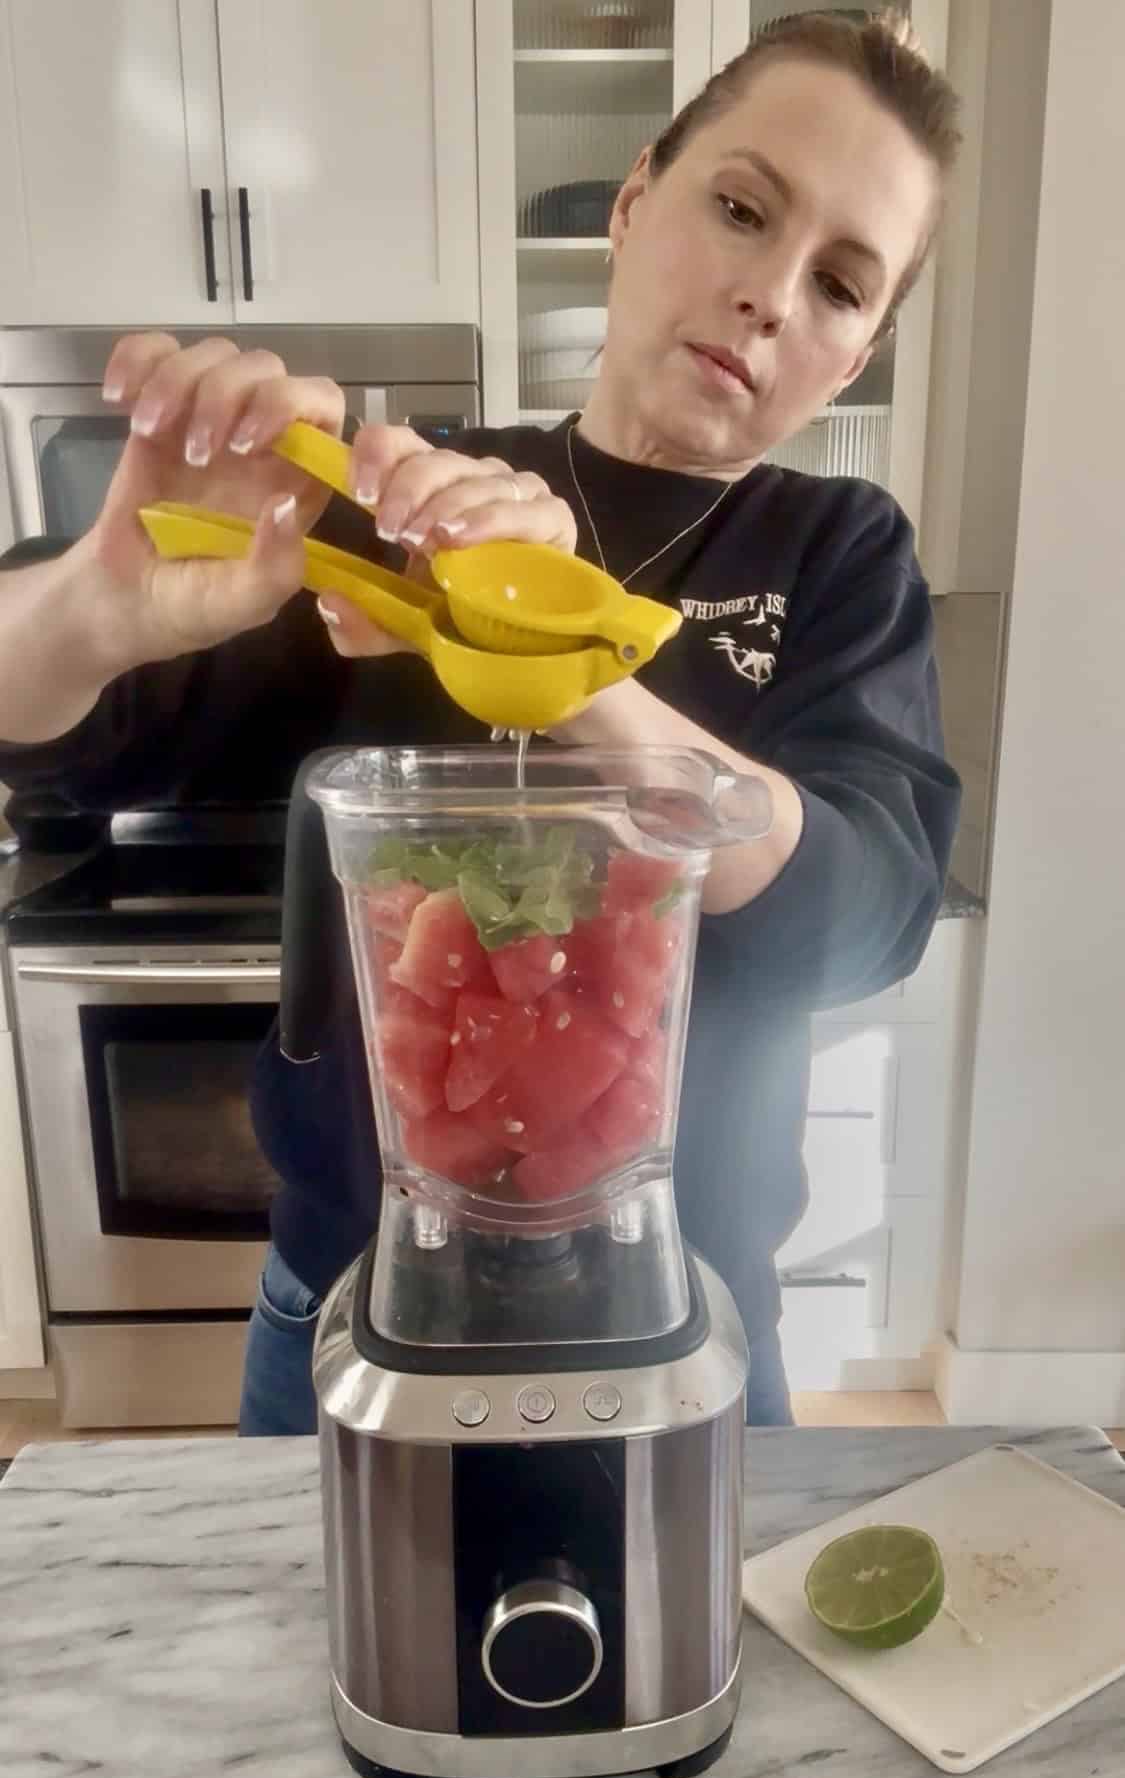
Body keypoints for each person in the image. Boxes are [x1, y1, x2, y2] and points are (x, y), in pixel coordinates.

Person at [0, 10, 961, 1431]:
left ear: (859, 349)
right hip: (357, 1298)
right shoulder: (405, 501)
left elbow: (867, 907)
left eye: (837, 283)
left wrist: (575, 669)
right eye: (741, 208)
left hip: (685, 1313)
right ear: (634, 204)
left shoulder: (837, 553)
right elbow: (46, 722)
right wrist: (93, 605)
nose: (768, 294)